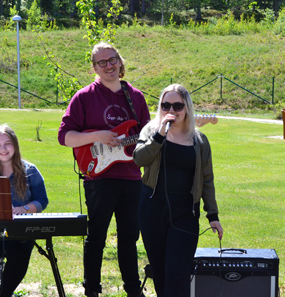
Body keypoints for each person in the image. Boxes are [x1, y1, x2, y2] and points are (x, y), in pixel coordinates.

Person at [57, 42, 150, 297]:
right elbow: (65, 137)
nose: (108, 66)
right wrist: (98, 135)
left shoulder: (136, 97)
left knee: (129, 238)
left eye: (112, 60)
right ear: (94, 68)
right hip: (99, 176)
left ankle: (133, 290)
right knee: (96, 237)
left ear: (120, 62)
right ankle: (92, 290)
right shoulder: (84, 97)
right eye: (102, 62)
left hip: (131, 178)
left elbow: (147, 136)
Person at [133, 84, 223, 297]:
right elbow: (139, 159)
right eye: (165, 105)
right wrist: (159, 136)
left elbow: (207, 179)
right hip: (152, 209)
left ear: (187, 108)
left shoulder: (199, 140)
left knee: (178, 273)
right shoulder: (151, 130)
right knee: (161, 272)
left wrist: (213, 215)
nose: (171, 111)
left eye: (177, 106)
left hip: (185, 213)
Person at [0, 124, 49, 297]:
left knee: (21, 255)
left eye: (7, 143)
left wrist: (24, 209)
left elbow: (42, 200)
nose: (3, 149)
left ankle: (4, 295)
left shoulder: (30, 171)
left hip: (18, 230)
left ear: (15, 145)